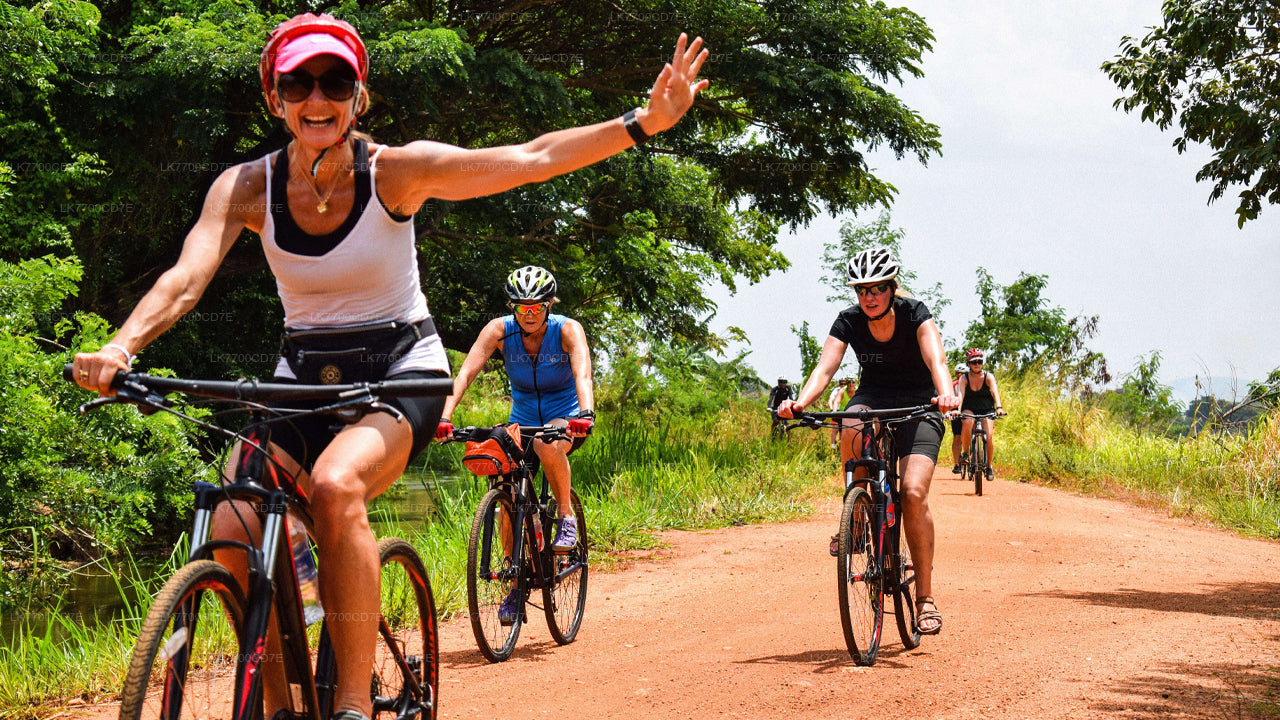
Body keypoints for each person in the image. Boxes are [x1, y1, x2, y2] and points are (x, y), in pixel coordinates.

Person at [70, 14, 708, 720]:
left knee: (338, 488)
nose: (318, 98)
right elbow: (185, 278)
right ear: (273, 96)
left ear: (358, 96)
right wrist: (121, 347)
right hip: (305, 376)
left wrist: (642, 123)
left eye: (335, 81)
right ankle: (279, 706)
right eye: (298, 82)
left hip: (401, 371)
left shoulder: (395, 173)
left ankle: (346, 705)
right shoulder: (244, 187)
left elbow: (529, 157)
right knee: (229, 522)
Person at [775, 247, 958, 636]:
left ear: (892, 289)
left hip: (921, 405)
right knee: (851, 423)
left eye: (876, 289)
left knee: (911, 493)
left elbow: (937, 361)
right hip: (873, 399)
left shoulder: (915, 314)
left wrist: (945, 395)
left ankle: (925, 598)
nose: (868, 297)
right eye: (861, 290)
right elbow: (826, 367)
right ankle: (857, 517)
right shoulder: (849, 321)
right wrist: (800, 403)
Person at [435, 265, 594, 623]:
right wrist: (445, 417)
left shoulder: (567, 330)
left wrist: (586, 412)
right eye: (522, 308)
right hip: (521, 420)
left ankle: (566, 516)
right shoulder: (499, 332)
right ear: (513, 308)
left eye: (537, 307)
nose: (529, 315)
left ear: (549, 305)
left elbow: (583, 371)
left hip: (564, 418)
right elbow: (465, 373)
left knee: (544, 444)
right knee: (504, 485)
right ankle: (515, 583)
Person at [956, 348, 1007, 477]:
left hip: (986, 409)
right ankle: (966, 453)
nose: (977, 364)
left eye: (980, 361)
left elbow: (995, 392)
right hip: (969, 408)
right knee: (967, 421)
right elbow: (960, 394)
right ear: (968, 364)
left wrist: (999, 408)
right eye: (974, 362)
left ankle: (989, 466)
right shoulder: (964, 378)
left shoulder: (988, 376)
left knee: (988, 436)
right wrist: (957, 410)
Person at [827, 377, 857, 448]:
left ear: (856, 383)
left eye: (853, 382)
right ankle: (833, 446)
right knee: (836, 429)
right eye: (848, 382)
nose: (851, 384)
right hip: (841, 413)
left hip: (853, 413)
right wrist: (833, 411)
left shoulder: (858, 391)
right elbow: (836, 401)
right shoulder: (841, 390)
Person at [950, 363, 967, 473]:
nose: (960, 376)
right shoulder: (953, 385)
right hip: (956, 412)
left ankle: (973, 457)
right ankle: (957, 464)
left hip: (969, 411)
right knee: (957, 437)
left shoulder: (971, 384)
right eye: (959, 374)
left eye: (964, 374)